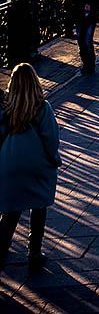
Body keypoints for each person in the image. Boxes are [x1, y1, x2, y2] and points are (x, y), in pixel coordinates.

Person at [0, 63, 62, 273]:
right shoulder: (42, 107)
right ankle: (34, 250)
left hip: (10, 164)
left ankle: (1, 249)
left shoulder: (6, 108)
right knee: (38, 206)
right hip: (37, 165)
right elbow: (51, 139)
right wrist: (53, 158)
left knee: (11, 211)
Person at [64, 0, 99, 74]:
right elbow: (66, 3)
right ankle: (86, 63)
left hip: (90, 20)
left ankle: (90, 64)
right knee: (81, 42)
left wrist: (93, 9)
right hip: (80, 20)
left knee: (87, 40)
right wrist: (77, 9)